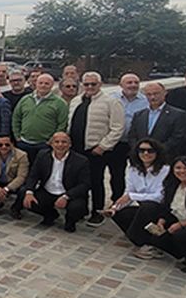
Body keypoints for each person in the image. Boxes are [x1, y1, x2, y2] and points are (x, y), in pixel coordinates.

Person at [68, 72, 125, 226]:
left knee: (96, 181)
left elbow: (118, 128)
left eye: (93, 84)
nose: (90, 87)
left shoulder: (111, 102)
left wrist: (103, 146)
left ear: (100, 84)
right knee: (78, 181)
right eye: (87, 84)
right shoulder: (75, 101)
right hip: (76, 149)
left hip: (95, 150)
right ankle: (81, 210)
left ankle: (97, 211)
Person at [103, 138, 170, 259]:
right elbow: (128, 192)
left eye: (150, 151)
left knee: (147, 207)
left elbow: (159, 197)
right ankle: (144, 242)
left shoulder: (165, 171)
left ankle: (138, 238)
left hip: (160, 209)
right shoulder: (132, 169)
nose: (146, 154)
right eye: (142, 150)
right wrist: (114, 208)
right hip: (143, 206)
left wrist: (132, 196)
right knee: (120, 214)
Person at [22, 132, 91, 231]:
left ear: (70, 144)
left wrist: (66, 196)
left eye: (64, 142)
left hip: (68, 193)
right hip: (48, 191)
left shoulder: (81, 160)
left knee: (77, 207)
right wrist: (29, 192)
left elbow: (85, 184)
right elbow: (34, 175)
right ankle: (50, 215)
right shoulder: (42, 155)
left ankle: (70, 221)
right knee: (25, 196)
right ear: (51, 144)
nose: (60, 145)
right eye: (57, 142)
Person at [105, 73, 148, 207]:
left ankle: (143, 202)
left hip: (137, 143)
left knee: (140, 173)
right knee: (117, 173)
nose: (133, 85)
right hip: (117, 142)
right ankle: (117, 201)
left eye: (136, 82)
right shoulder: (111, 99)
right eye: (129, 82)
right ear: (121, 85)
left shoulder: (145, 101)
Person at [11, 74, 69, 166]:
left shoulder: (59, 103)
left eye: (47, 83)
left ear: (52, 85)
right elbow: (16, 118)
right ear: (36, 84)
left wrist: (52, 141)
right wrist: (17, 136)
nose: (43, 85)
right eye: (40, 83)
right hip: (24, 142)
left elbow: (62, 124)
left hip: (44, 144)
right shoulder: (25, 99)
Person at [126, 82, 186, 155]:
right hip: (142, 158)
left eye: (156, 94)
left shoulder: (178, 114)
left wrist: (156, 150)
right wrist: (140, 150)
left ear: (165, 93)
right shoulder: (139, 115)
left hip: (165, 157)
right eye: (149, 94)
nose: (152, 97)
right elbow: (132, 136)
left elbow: (178, 137)